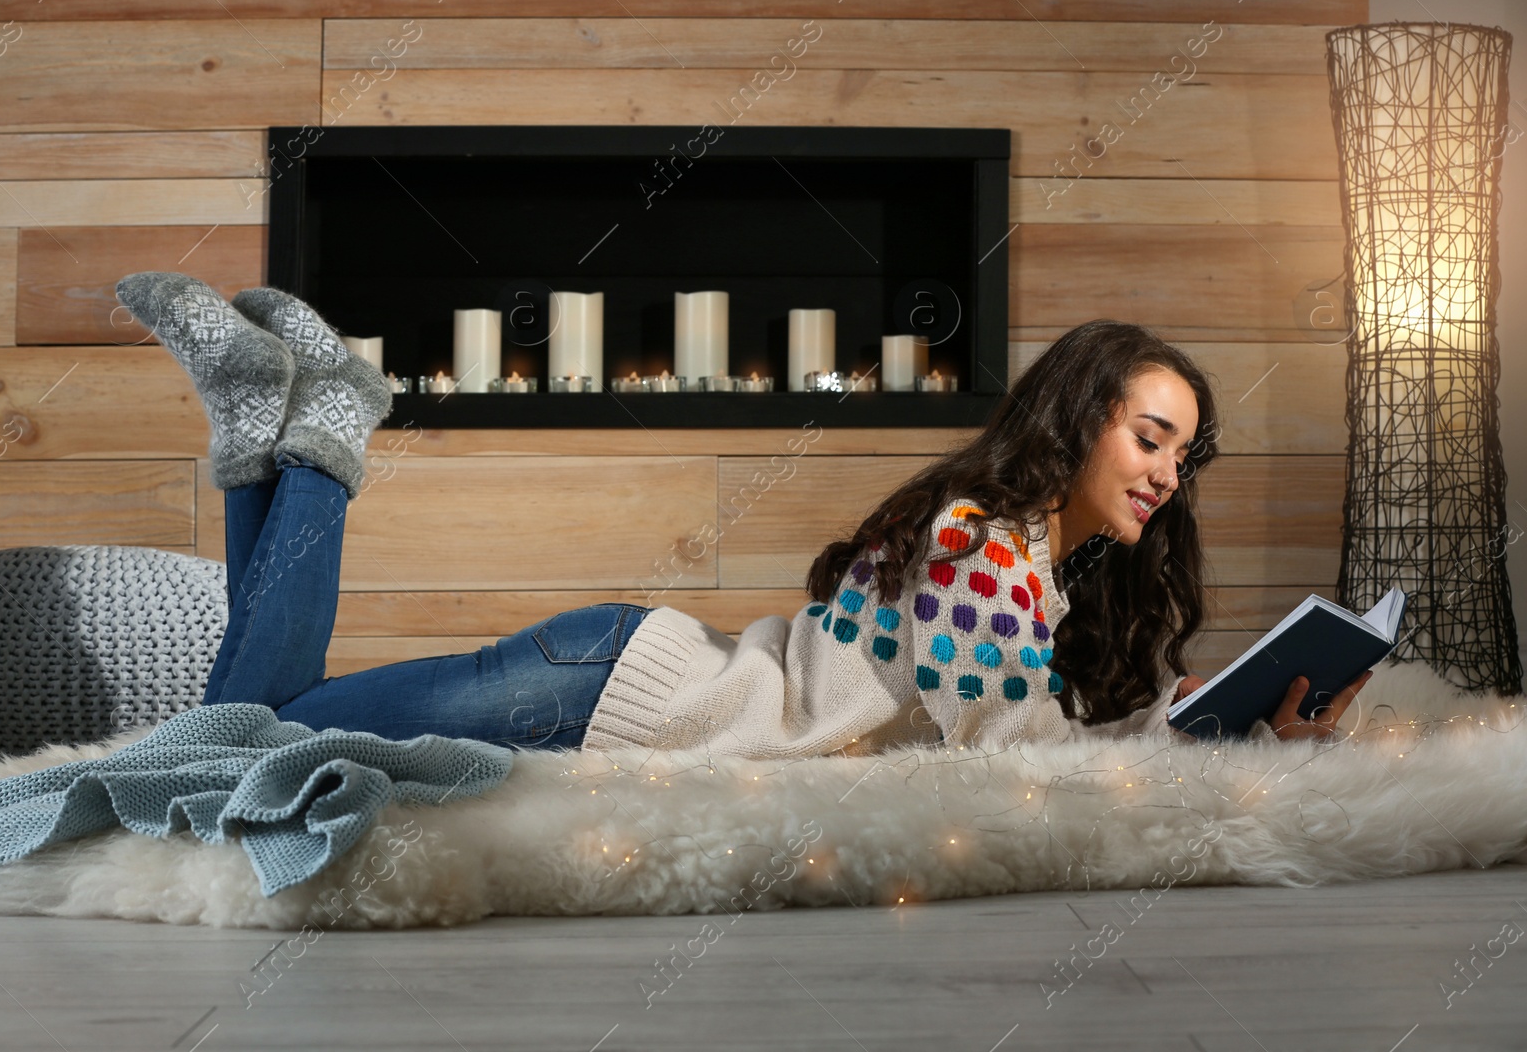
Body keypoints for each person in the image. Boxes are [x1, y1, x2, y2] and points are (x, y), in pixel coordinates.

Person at [117, 273, 1368, 758]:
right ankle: (325, 438)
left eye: (1182, 454)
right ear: (1080, 416)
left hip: (615, 670)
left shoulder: (1030, 559)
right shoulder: (985, 544)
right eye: (1147, 436)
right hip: (615, 690)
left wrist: (1232, 721)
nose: (1164, 470)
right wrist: (1236, 753)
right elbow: (1019, 758)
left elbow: (1029, 722)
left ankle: (264, 430)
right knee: (246, 744)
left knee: (255, 736)